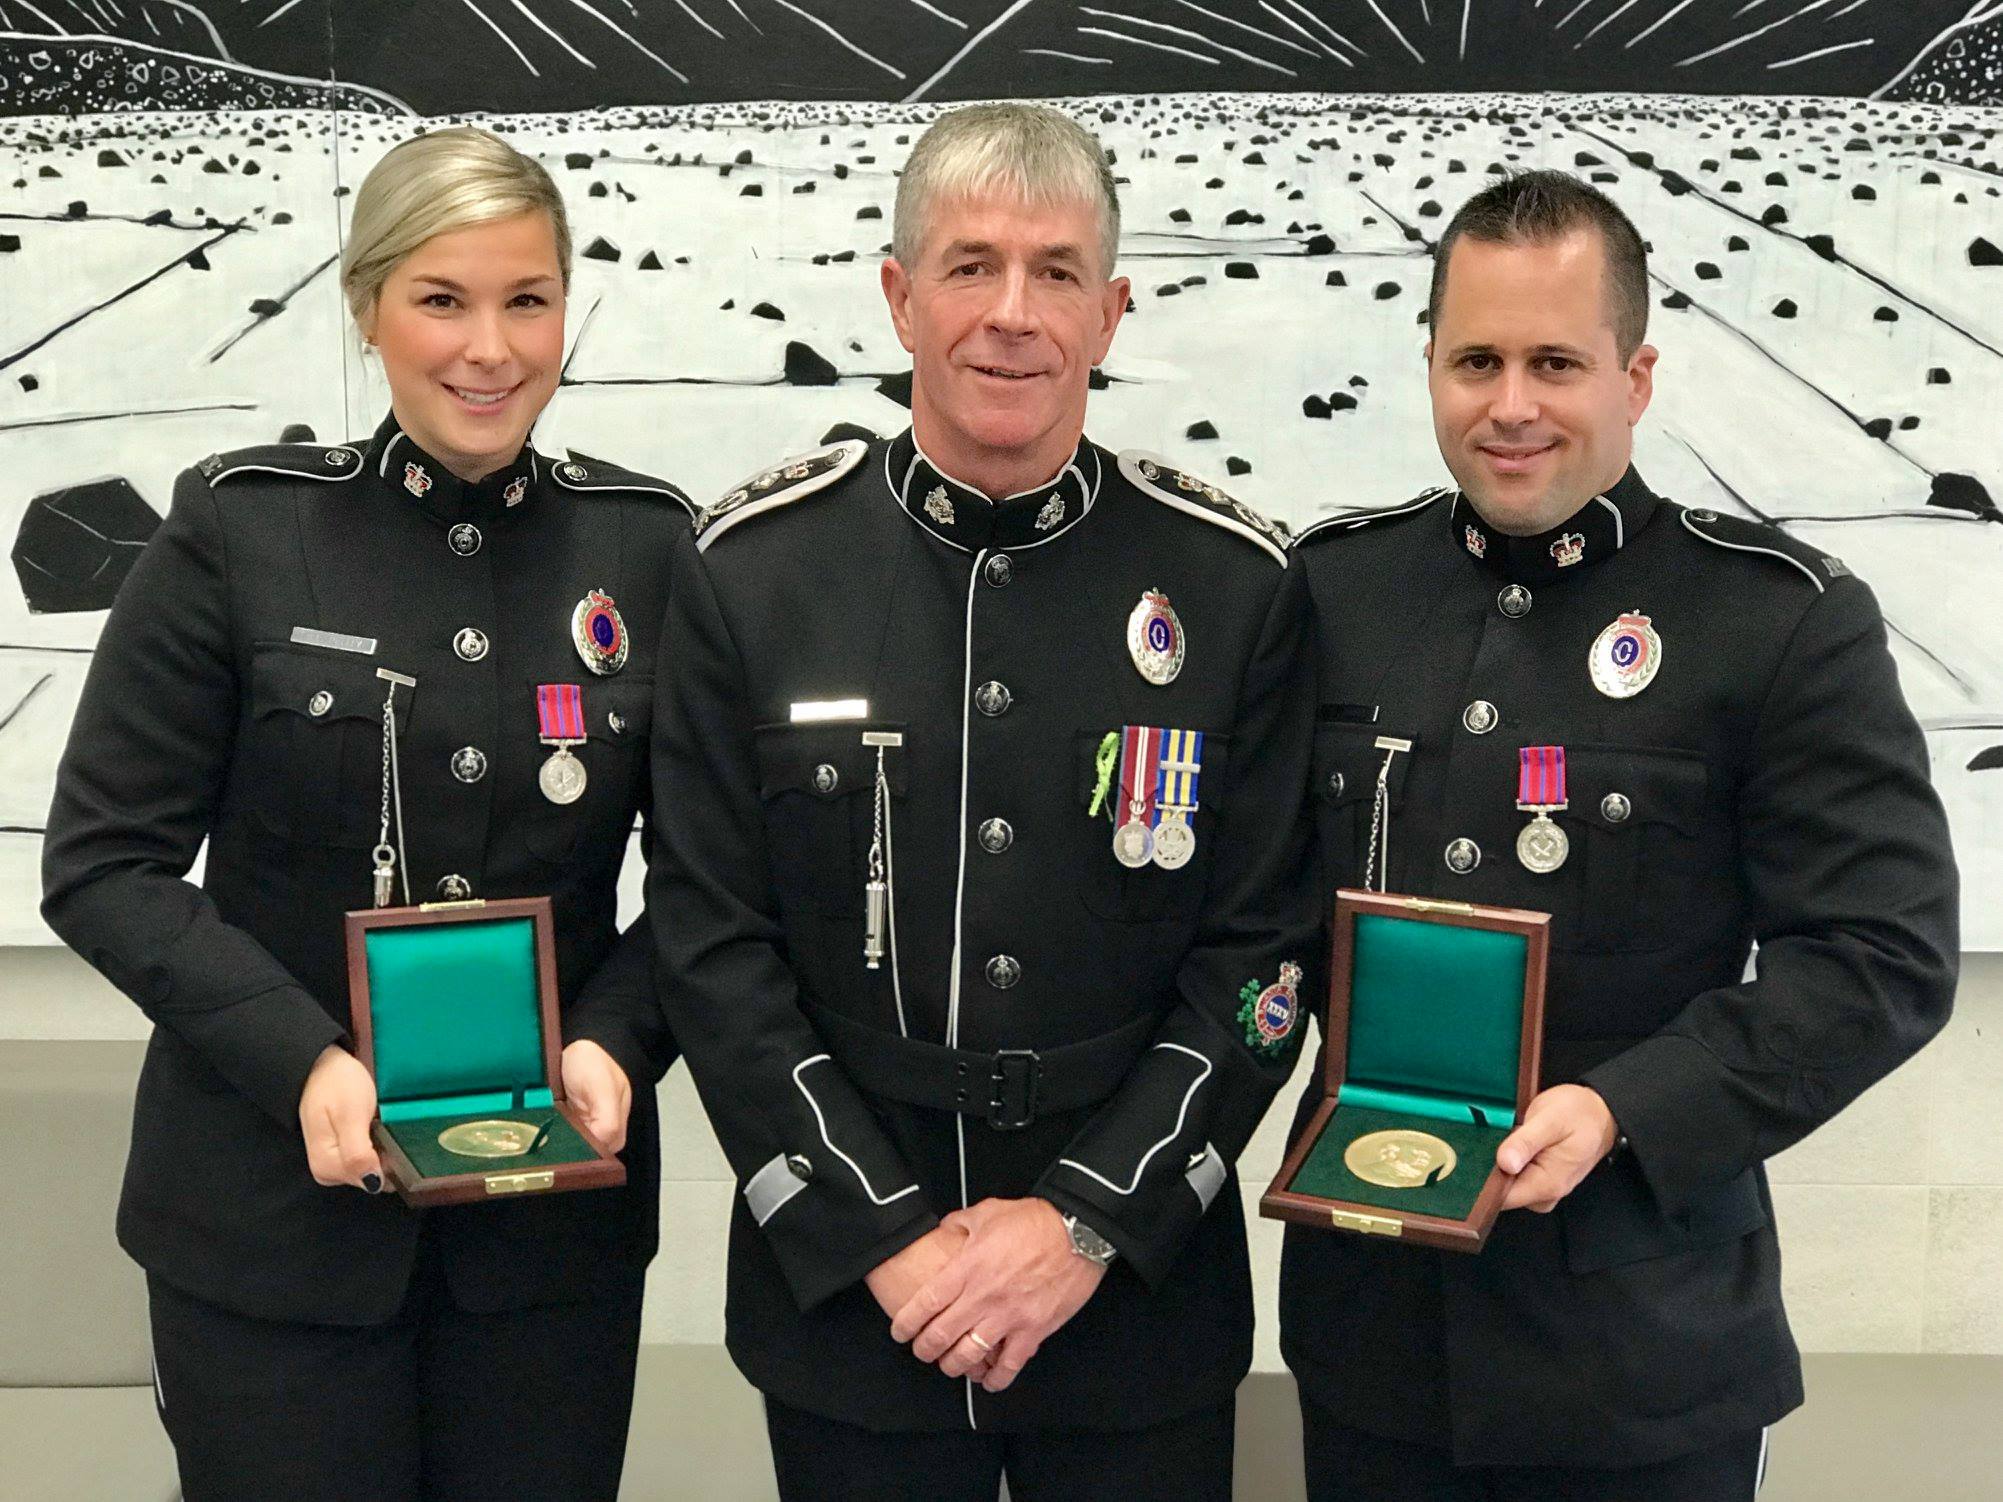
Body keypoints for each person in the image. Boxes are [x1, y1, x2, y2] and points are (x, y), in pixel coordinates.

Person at [647, 103, 1318, 1500]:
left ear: (1113, 310)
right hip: (853, 1303)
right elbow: (712, 944)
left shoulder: (1232, 587)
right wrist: (886, 1234)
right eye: (970, 266)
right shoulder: (752, 573)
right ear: (899, 295)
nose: (1013, 314)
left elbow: (1259, 959)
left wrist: (1082, 1224)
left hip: (1134, 1302)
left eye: (1058, 272)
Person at [1281, 169, 1959, 1499]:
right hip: (1379, 1341)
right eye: (1476, 358)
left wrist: (1624, 1108)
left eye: (1555, 361)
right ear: (1429, 364)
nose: (1511, 403)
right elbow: (1258, 927)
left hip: (1646, 1352)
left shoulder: (1775, 620)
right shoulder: (1332, 594)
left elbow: (1883, 953)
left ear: (1634, 378)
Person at [40, 126, 692, 1502]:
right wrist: (304, 1060)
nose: (490, 348)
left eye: (528, 299)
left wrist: (617, 1041)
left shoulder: (647, 548)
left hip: (543, 1251)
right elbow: (106, 863)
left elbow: (708, 887)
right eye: (441, 300)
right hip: (270, 1229)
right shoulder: (239, 531)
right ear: (367, 306)